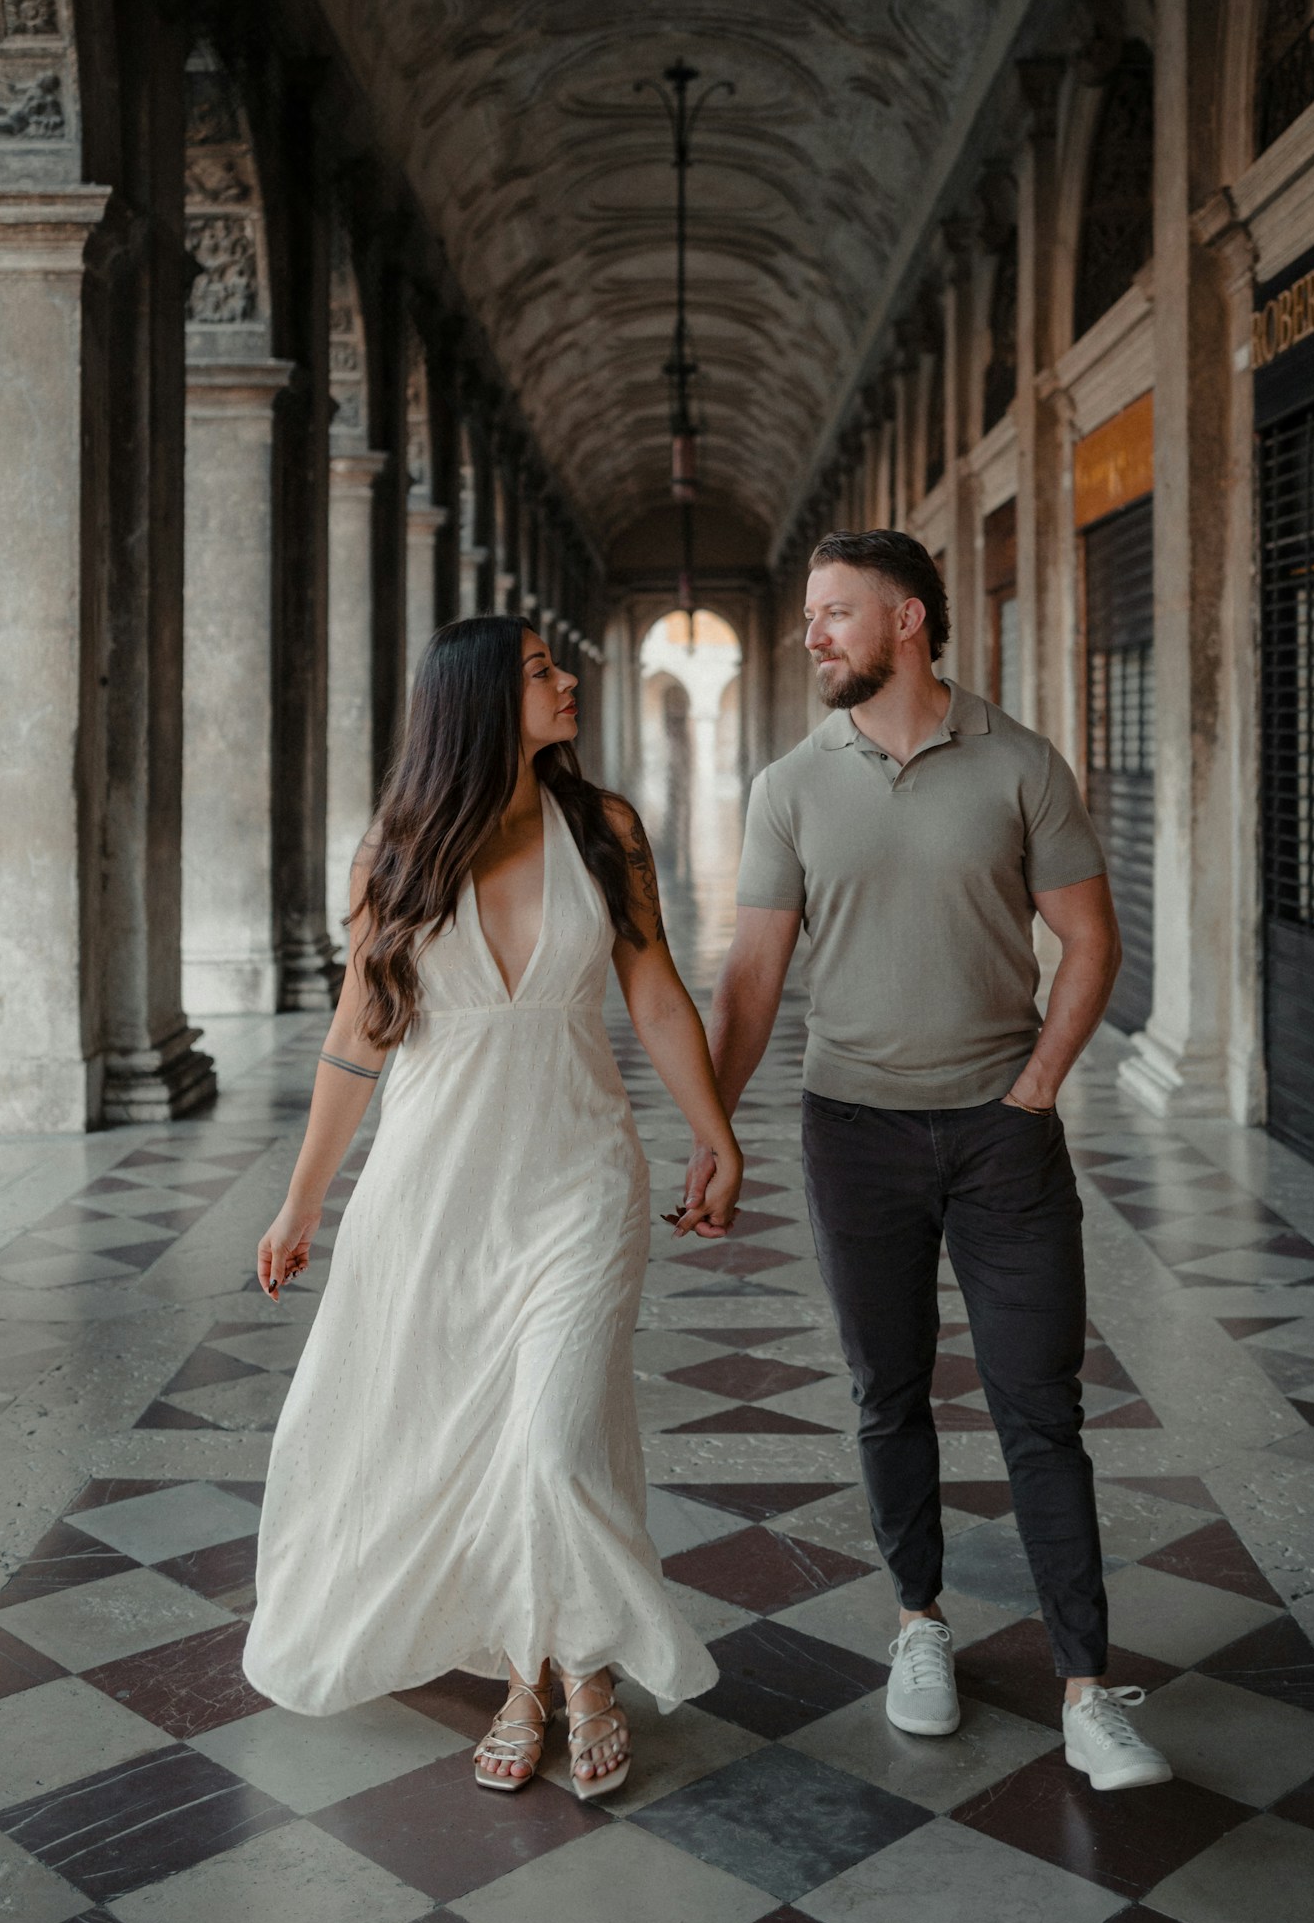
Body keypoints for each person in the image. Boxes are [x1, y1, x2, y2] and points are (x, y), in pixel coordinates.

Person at [705, 531, 1170, 1794]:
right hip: (851, 1130)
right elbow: (751, 977)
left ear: (909, 620)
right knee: (886, 1390)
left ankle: (1087, 1685)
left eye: (835, 613)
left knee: (1041, 1406)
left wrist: (1034, 1088)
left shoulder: (1019, 762)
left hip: (1000, 1135)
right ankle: (919, 1624)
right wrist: (716, 1124)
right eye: (809, 614)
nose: (813, 635)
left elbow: (1089, 939)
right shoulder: (791, 784)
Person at [246, 616, 742, 1800]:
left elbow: (657, 995)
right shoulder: (395, 853)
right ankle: (546, 1673)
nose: (567, 680)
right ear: (476, 697)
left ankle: (580, 1671)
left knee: (557, 1436)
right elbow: (358, 1037)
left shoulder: (603, 827)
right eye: (539, 671)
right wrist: (302, 1198)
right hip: (437, 1190)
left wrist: (716, 1128)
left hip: (580, 1175)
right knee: (482, 1438)